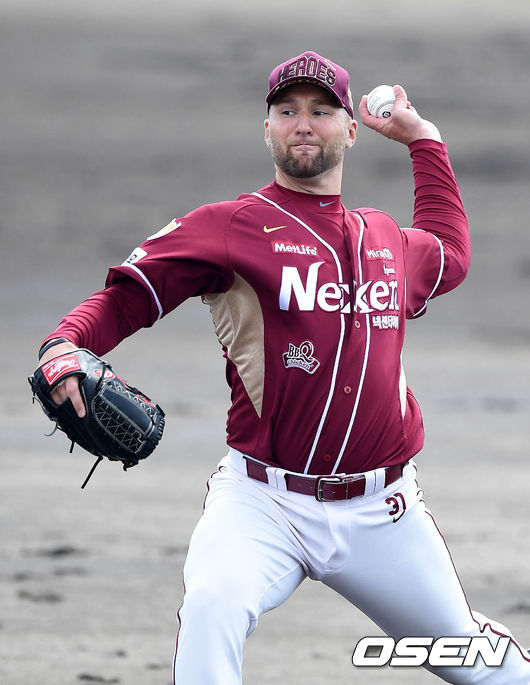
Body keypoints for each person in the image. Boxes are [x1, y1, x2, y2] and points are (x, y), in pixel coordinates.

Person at [36, 51, 530, 684]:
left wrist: (424, 140)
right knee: (213, 605)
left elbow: (450, 252)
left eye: (321, 111)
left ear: (350, 129)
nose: (303, 124)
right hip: (262, 502)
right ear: (266, 128)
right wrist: (64, 344)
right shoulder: (230, 227)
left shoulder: (385, 239)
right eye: (288, 111)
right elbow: (128, 297)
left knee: (476, 663)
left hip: (384, 512)